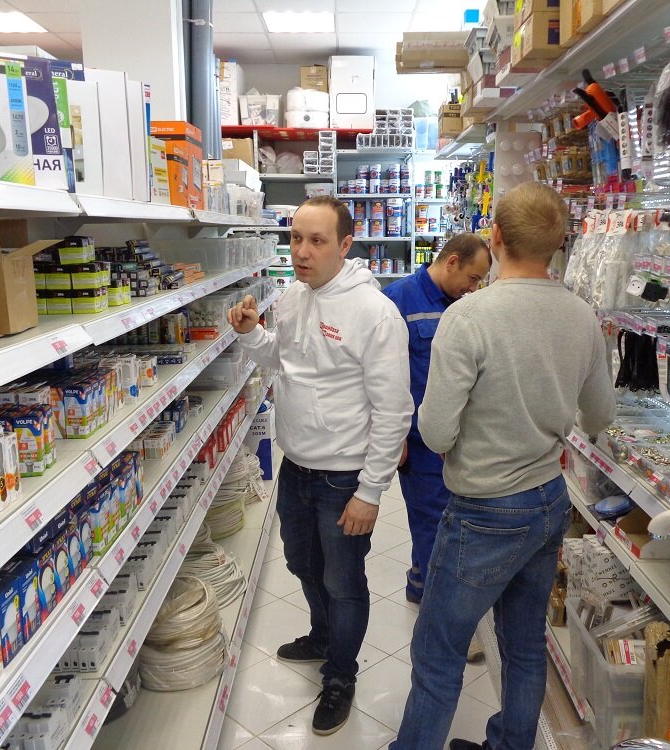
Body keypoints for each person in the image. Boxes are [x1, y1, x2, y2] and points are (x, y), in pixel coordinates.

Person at [390, 182, 616, 750]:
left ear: (495, 237)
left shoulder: (469, 316)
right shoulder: (581, 316)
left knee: (439, 648)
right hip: (548, 499)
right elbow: (599, 416)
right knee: (523, 640)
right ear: (559, 244)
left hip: (484, 508)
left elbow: (436, 431)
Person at [228, 196, 413, 736]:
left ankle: (340, 676)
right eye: (295, 239)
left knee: (344, 581)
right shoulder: (292, 295)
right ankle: (322, 635)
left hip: (344, 478)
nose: (302, 252)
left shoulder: (374, 313)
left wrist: (370, 492)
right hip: (296, 467)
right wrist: (251, 333)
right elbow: (280, 360)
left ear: (345, 245)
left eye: (317, 241)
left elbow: (394, 410)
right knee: (302, 563)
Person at [382, 235, 492, 607]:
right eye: (472, 278)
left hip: (460, 437)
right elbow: (382, 375)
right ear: (452, 262)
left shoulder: (467, 306)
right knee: (431, 520)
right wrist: (394, 435)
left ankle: (420, 582)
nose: (473, 288)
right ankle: (436, 604)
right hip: (420, 440)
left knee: (450, 520)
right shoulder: (398, 299)